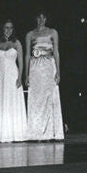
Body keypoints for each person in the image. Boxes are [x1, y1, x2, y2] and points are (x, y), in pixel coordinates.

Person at [0, 19, 28, 142]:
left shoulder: (17, 43)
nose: (8, 30)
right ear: (2, 29)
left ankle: (16, 134)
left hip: (13, 75)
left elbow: (20, 62)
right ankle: (1, 134)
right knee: (1, 101)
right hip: (0, 76)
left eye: (10, 28)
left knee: (12, 101)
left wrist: (20, 77)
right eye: (6, 28)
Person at [24, 11, 64, 141]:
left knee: (49, 98)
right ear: (35, 18)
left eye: (43, 17)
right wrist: (26, 73)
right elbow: (27, 55)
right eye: (39, 17)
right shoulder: (30, 34)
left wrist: (58, 70)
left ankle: (49, 133)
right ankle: (36, 133)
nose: (41, 20)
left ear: (46, 19)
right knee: (36, 100)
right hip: (35, 68)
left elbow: (56, 52)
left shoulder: (53, 32)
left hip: (48, 66)